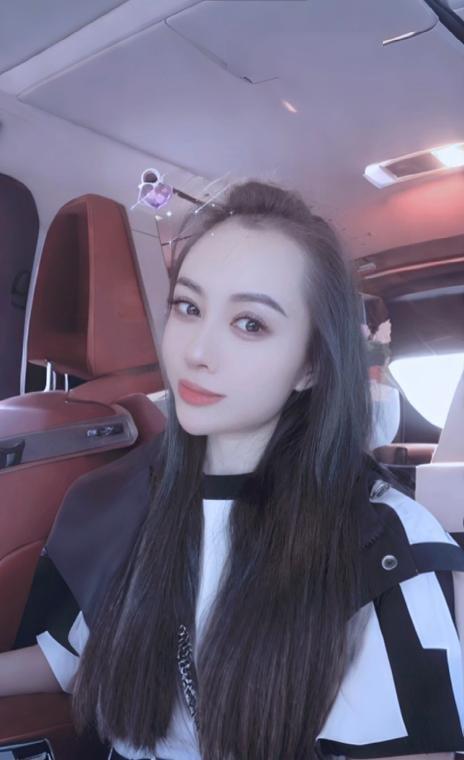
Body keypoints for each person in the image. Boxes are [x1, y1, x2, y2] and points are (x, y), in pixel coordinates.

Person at [1, 180, 464, 760]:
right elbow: (78, 656)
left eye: (250, 324)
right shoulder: (140, 494)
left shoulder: (385, 545)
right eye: (189, 307)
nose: (197, 350)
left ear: (311, 365)